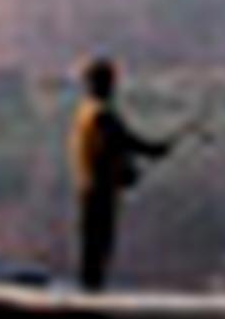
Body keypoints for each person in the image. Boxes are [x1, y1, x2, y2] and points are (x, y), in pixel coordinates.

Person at [68, 56, 172, 291]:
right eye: (109, 81)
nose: (112, 87)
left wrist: (129, 167)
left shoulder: (87, 111)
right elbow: (123, 141)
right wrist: (153, 150)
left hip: (90, 187)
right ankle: (91, 293)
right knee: (99, 243)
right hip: (98, 190)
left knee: (92, 244)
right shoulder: (101, 114)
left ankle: (89, 290)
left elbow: (112, 147)